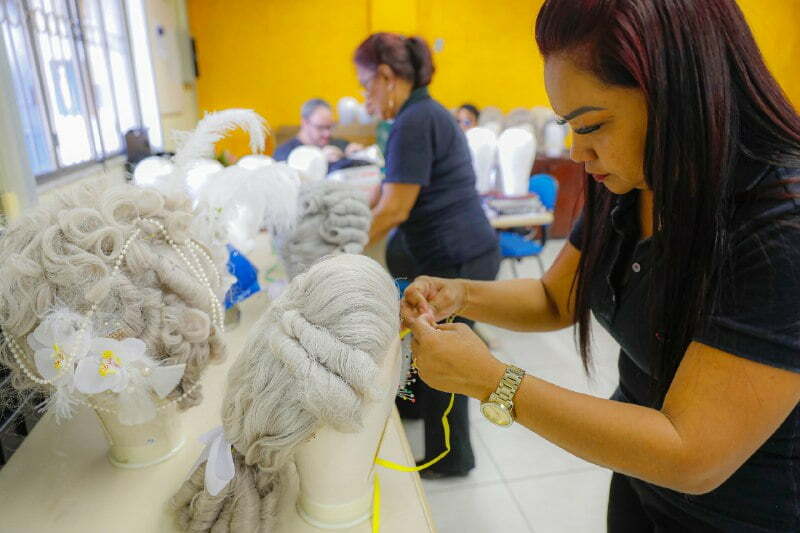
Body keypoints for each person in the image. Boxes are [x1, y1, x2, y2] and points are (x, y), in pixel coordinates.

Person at [402, 0, 800, 531]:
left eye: (591, 125)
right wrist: (461, 294)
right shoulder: (631, 179)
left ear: (680, 94)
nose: (577, 152)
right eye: (569, 125)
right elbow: (555, 298)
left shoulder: (781, 226)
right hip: (640, 482)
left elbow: (691, 454)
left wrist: (494, 382)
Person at [354, 33, 500, 478]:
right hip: (449, 251)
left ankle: (452, 456)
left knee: (444, 354)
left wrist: (339, 253)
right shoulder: (418, 115)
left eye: (365, 85)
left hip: (456, 257)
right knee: (422, 342)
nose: (365, 99)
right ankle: (415, 408)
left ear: (386, 76)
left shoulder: (415, 120)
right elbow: (387, 192)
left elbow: (394, 209)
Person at [274, 98, 363, 163]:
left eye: (329, 127)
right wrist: (320, 160)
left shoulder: (339, 144)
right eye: (320, 128)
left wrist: (356, 154)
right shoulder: (285, 153)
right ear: (305, 123)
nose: (327, 134)